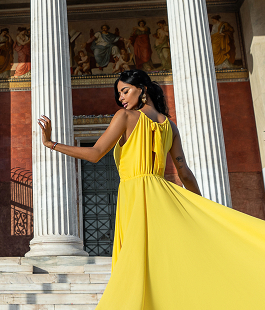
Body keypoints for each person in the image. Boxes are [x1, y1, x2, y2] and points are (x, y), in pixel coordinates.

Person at [37, 69, 199, 260]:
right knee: (158, 257)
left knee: (133, 258)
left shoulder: (125, 116)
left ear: (142, 89)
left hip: (135, 194)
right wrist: (201, 207)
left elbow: (95, 154)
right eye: (119, 93)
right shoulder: (170, 127)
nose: (121, 97)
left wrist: (51, 144)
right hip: (160, 195)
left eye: (125, 91)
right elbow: (185, 173)